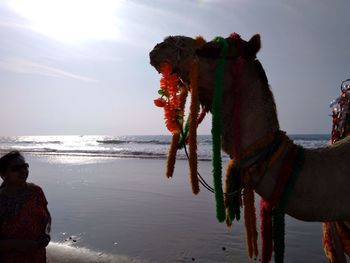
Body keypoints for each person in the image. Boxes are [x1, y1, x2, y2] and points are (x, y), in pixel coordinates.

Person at [0, 151, 51, 263]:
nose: (23, 170)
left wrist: (46, 233)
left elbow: (47, 217)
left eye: (24, 166)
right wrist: (18, 245)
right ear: (4, 175)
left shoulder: (36, 191)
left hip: (38, 256)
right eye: (16, 168)